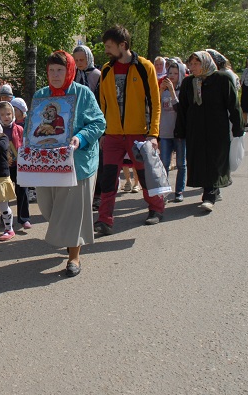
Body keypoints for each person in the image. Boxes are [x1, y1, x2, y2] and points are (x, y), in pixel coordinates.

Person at [30, 50, 105, 276]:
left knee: (73, 212)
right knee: (48, 207)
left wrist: (80, 138)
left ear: (69, 71)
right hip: (47, 164)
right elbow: (32, 126)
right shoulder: (41, 95)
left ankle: (74, 256)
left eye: (60, 70)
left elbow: (98, 123)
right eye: (51, 70)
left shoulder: (83, 93)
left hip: (77, 162)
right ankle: (67, 237)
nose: (55, 75)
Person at [96, 25, 164, 233]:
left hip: (139, 134)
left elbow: (155, 103)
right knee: (108, 178)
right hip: (112, 134)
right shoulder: (106, 69)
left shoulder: (145, 67)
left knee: (145, 175)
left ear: (122, 45)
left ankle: (156, 208)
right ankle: (105, 220)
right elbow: (103, 104)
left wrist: (153, 134)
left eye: (109, 46)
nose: (106, 50)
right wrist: (103, 131)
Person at [174, 51, 244, 212]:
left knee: (214, 160)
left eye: (196, 64)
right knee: (200, 160)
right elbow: (183, 108)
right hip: (195, 129)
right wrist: (180, 130)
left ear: (205, 63)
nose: (192, 67)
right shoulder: (188, 82)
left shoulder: (221, 79)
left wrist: (238, 126)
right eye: (191, 64)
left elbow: (233, 104)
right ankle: (213, 189)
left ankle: (209, 196)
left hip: (216, 129)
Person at [0, 101, 30, 230]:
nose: (6, 117)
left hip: (19, 165)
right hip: (3, 166)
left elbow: (25, 145)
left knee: (23, 191)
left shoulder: (19, 129)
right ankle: (5, 218)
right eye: (2, 114)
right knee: (4, 193)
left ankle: (24, 218)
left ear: (13, 114)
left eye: (8, 114)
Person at [158, 59, 186, 202]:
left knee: (181, 164)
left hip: (179, 132)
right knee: (164, 163)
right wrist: (161, 90)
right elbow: (155, 107)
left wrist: (173, 92)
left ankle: (179, 191)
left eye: (175, 73)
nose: (172, 76)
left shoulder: (183, 91)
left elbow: (179, 109)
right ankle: (164, 192)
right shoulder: (163, 91)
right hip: (164, 132)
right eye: (170, 73)